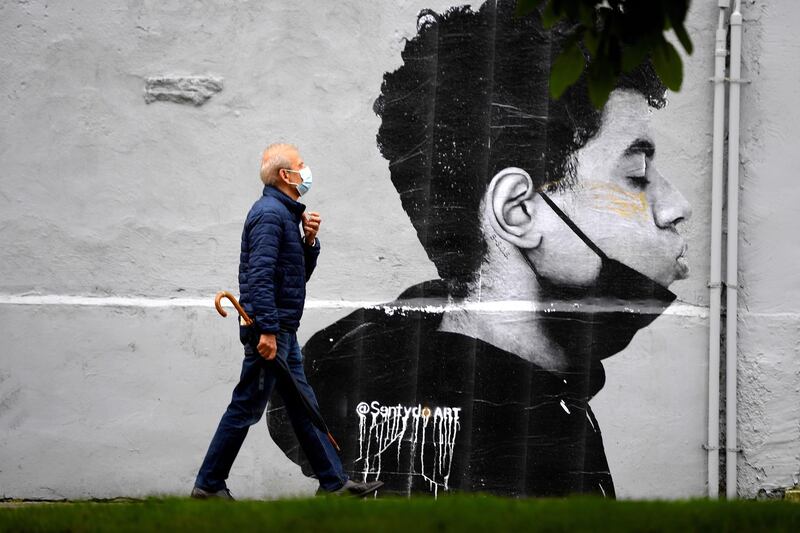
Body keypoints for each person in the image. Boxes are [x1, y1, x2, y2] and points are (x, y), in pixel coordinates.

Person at [268, 1, 691, 497]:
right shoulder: (511, 437)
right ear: (517, 211)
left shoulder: (410, 377)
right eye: (636, 175)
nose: (676, 206)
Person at [192, 143, 383, 499]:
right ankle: (209, 485)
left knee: (302, 404)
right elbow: (260, 277)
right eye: (301, 164)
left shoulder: (284, 215)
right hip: (271, 331)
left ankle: (333, 483)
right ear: (286, 175)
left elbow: (293, 278)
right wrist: (266, 330)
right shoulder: (269, 215)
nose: (306, 169)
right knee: (247, 406)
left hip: (282, 330)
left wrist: (309, 241)